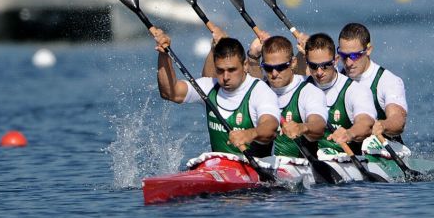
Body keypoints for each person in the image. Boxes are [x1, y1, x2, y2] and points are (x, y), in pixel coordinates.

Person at [153, 28, 280, 157]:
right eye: (220, 70)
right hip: (219, 169)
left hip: (256, 170)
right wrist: (164, 55)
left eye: (232, 70)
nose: (225, 77)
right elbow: (170, 93)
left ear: (245, 65)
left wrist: (249, 134)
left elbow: (270, 127)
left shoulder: (260, 91)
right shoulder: (210, 86)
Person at [247, 34, 328, 158]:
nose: (274, 74)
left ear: (293, 63)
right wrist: (253, 55)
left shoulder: (309, 92)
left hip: (300, 168)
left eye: (280, 67)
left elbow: (319, 125)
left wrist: (302, 127)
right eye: (268, 68)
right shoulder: (258, 90)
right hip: (262, 167)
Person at [304, 33, 377, 155]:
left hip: (345, 161)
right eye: (313, 66)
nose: (319, 72)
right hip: (308, 162)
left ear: (335, 60)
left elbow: (365, 122)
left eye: (325, 66)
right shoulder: (301, 86)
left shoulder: (355, 91)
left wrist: (349, 133)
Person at [337, 23, 407, 143]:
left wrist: (383, 125)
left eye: (355, 55)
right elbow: (304, 78)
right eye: (344, 55)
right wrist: (305, 53)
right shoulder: (335, 76)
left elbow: (398, 120)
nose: (348, 63)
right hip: (346, 147)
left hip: (382, 151)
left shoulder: (388, 81)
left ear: (368, 50)